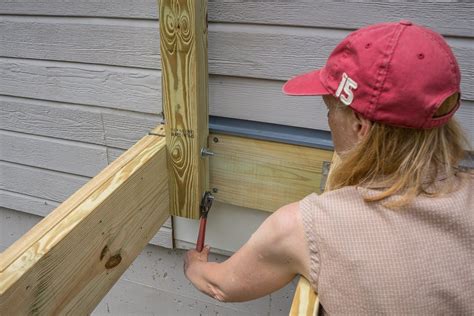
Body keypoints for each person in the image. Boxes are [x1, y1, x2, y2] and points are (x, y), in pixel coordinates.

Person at [184, 21, 473, 314]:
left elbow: (221, 285)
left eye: (330, 108)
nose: (329, 120)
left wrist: (194, 267)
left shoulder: (305, 227)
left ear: (361, 127)